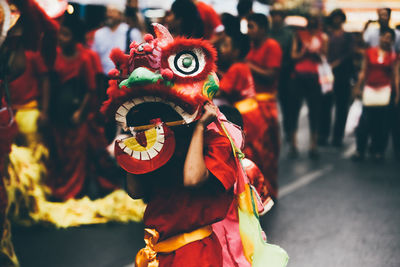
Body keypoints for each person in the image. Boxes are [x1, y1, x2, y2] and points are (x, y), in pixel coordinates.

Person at [217, 32, 273, 200]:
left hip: (246, 116)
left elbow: (219, 90)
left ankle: (251, 193)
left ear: (236, 51)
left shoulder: (235, 69)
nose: (222, 49)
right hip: (254, 113)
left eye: (226, 45)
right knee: (257, 154)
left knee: (246, 155)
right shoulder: (241, 67)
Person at [246, 13, 282, 198]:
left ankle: (270, 190)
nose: (248, 31)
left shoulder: (272, 46)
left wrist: (248, 65)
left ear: (262, 28)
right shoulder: (251, 46)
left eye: (251, 27)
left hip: (266, 104)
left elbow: (271, 74)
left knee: (267, 151)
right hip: (250, 105)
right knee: (253, 152)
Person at [352, 28, 399, 162]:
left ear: (392, 41)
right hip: (370, 89)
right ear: (380, 37)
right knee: (365, 121)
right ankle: (360, 149)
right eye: (384, 36)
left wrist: (396, 94)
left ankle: (378, 150)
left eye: (389, 38)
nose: (386, 39)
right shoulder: (369, 52)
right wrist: (358, 87)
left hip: (385, 90)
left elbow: (396, 75)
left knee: (382, 122)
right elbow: (363, 70)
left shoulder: (394, 57)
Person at [289, 14, 328, 159]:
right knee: (294, 110)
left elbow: (325, 57)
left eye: (314, 25)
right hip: (299, 76)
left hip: (315, 78)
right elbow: (293, 55)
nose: (311, 28)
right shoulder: (299, 36)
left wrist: (317, 54)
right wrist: (303, 52)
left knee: (315, 111)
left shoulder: (322, 37)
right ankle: (294, 144)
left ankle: (313, 145)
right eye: (309, 25)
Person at [318, 9, 354, 147]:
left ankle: (337, 137)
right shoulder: (326, 35)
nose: (337, 20)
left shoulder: (348, 36)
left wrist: (335, 63)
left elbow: (349, 54)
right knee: (325, 105)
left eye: (339, 17)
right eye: (335, 17)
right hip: (327, 75)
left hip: (342, 75)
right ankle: (323, 134)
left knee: (341, 107)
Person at [92, 5, 142, 75]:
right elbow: (94, 56)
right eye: (108, 11)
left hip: (123, 78)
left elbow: (139, 56)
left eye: (112, 12)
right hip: (103, 77)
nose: (109, 14)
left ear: (120, 15)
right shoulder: (99, 34)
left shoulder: (132, 33)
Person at [269, 8, 294, 143]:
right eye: (274, 15)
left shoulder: (288, 34)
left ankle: (289, 131)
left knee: (286, 104)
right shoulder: (267, 33)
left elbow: (291, 55)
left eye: (279, 15)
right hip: (268, 73)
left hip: (284, 73)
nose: (276, 18)